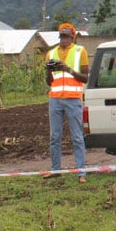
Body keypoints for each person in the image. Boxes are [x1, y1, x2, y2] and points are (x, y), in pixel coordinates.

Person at [43, 23, 90, 183]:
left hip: (73, 99)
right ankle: (55, 169)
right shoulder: (51, 53)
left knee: (77, 137)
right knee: (54, 137)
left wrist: (68, 69)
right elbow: (49, 81)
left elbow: (85, 77)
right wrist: (49, 70)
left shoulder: (80, 51)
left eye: (66, 36)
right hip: (55, 99)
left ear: (73, 37)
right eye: (61, 36)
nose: (63, 39)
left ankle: (81, 172)